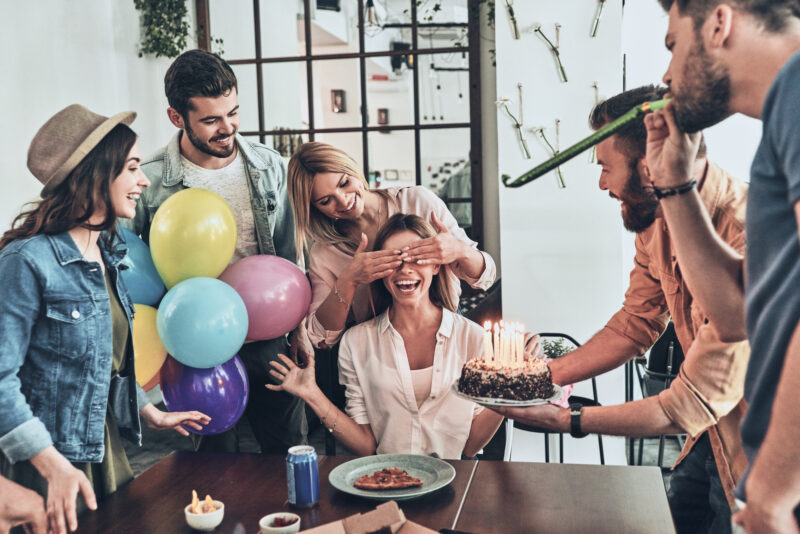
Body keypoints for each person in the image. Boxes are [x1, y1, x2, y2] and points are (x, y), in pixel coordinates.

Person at [493, 85, 750, 534]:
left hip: (765, 461)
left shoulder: (748, 236)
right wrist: (546, 376)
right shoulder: (653, 220)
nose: (602, 184)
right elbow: (636, 324)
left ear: (650, 168)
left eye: (606, 168)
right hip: (708, 438)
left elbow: (680, 406)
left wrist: (567, 419)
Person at [0, 104, 209, 534]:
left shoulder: (107, 254)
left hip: (103, 452)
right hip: (48, 464)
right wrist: (50, 464)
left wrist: (148, 412)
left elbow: (95, 364)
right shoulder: (27, 262)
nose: (143, 180)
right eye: (132, 168)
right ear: (97, 174)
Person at [645, 2, 800, 532]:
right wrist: (676, 185)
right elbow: (738, 313)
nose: (667, 75)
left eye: (672, 44)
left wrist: (773, 495)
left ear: (718, 22)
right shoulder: (783, 112)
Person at [125, 49, 313, 454]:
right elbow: (125, 261)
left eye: (233, 113)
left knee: (289, 450)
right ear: (177, 118)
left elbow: (288, 260)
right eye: (211, 120)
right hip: (195, 340)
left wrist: (299, 329)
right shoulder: (151, 180)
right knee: (214, 462)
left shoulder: (269, 166)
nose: (227, 128)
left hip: (267, 335)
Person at [267, 214, 504, 458]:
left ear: (436, 265)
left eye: (417, 258)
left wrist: (508, 392)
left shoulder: (473, 337)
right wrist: (311, 393)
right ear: (380, 270)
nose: (405, 269)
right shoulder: (356, 342)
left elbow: (472, 444)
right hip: (387, 480)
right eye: (394, 260)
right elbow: (366, 445)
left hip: (456, 479)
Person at [287, 141, 496, 349]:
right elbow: (321, 338)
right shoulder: (325, 252)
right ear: (313, 209)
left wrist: (460, 251)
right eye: (326, 201)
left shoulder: (417, 202)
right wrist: (349, 279)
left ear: (352, 168)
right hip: (376, 348)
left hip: (446, 334)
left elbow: (485, 277)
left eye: (344, 183)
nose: (343, 201)